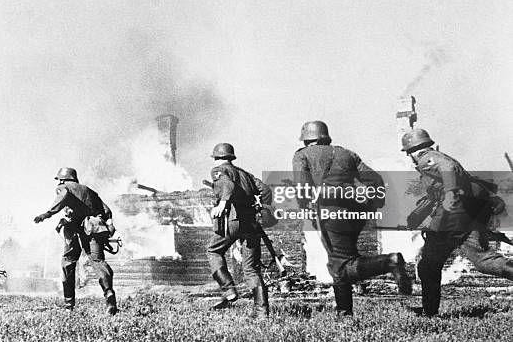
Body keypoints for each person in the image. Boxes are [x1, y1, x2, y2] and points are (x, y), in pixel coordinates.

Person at [293, 121, 411, 316]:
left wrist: (306, 206)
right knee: (340, 262)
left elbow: (302, 185)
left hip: (329, 213)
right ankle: (344, 312)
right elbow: (375, 180)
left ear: (307, 139)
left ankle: (389, 262)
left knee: (341, 264)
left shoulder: (302, 155)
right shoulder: (347, 153)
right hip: (355, 214)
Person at [401, 128, 513, 317]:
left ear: (412, 150)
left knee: (428, 265)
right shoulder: (436, 158)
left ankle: (429, 312)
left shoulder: (428, 158)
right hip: (467, 216)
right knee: (484, 261)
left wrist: (451, 192)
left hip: (451, 219)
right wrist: (415, 217)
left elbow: (448, 168)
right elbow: (434, 195)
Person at [34, 167, 117, 313]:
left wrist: (47, 213)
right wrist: (109, 226)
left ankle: (69, 305)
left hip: (75, 228)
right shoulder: (89, 191)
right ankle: (109, 292)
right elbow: (107, 211)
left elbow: (63, 196)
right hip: (94, 226)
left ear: (62, 179)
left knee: (68, 263)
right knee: (98, 261)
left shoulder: (64, 187)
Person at [206, 143, 272, 319]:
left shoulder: (218, 171)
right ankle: (262, 313)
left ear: (217, 158)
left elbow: (227, 185)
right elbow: (265, 190)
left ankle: (228, 290)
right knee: (251, 269)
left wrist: (223, 202)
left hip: (233, 220)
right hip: (251, 223)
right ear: (231, 157)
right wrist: (262, 209)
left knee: (213, 251)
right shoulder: (245, 174)